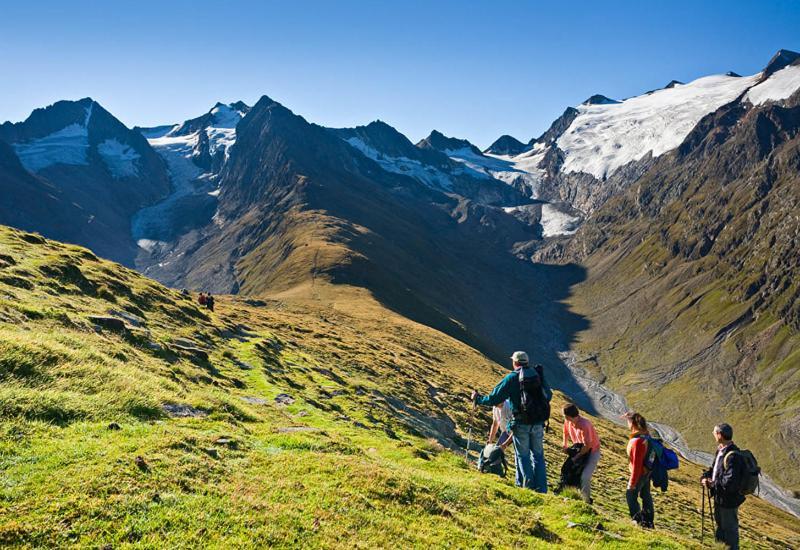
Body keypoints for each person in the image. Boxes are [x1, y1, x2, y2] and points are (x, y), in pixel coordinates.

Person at [471, 351, 552, 493]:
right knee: (538, 456)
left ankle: (527, 488)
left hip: (521, 423)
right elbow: (548, 395)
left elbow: (494, 398)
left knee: (523, 455)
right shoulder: (536, 374)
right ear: (526, 362)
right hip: (538, 422)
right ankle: (541, 489)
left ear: (514, 363)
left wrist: (478, 399)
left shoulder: (512, 378)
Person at [701, 423, 744, 550]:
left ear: (720, 435)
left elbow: (729, 480)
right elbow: (714, 470)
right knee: (720, 527)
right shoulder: (721, 450)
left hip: (728, 500)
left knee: (729, 530)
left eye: (714, 432)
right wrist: (704, 476)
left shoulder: (733, 455)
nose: (713, 434)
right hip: (719, 497)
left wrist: (712, 483)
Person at [561, 403, 600, 504]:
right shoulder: (568, 421)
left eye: (566, 416)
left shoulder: (584, 425)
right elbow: (565, 432)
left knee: (584, 477)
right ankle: (574, 496)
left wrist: (576, 457)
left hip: (592, 451)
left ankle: (586, 501)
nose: (565, 419)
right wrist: (564, 445)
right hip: (579, 449)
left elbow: (588, 446)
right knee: (570, 472)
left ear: (569, 416)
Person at [624, 412, 654, 528]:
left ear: (632, 423)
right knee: (646, 495)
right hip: (647, 471)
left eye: (627, 421)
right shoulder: (646, 435)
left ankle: (639, 521)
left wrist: (632, 482)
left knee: (630, 495)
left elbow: (637, 464)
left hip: (640, 473)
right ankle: (649, 522)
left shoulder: (637, 441)